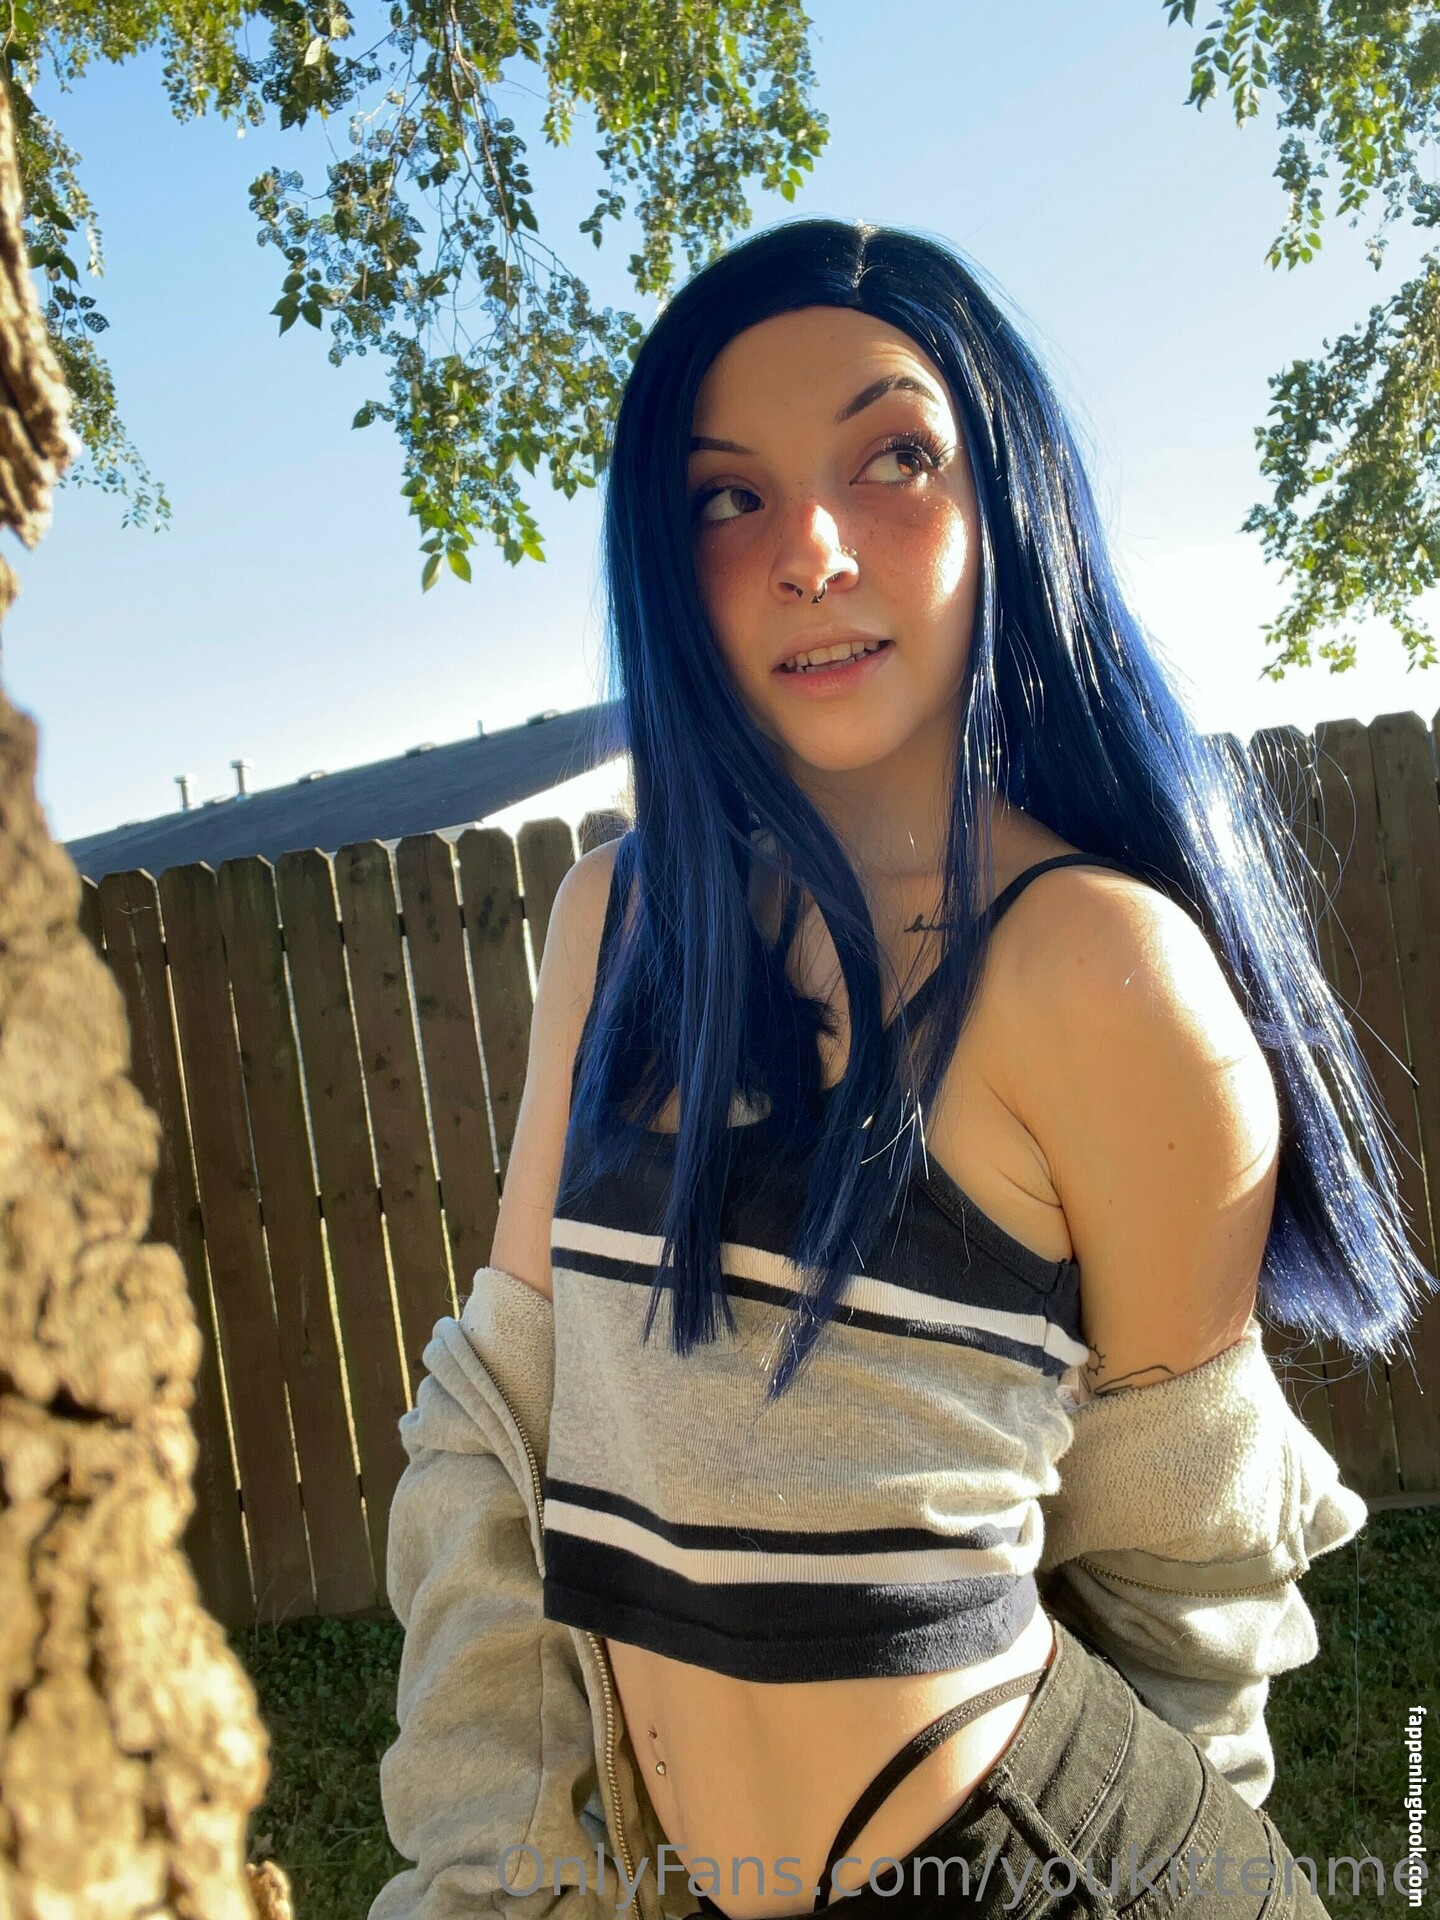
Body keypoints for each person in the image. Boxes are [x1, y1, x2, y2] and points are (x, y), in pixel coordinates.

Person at [369, 220, 1432, 1920]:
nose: (811, 551)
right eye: (729, 496)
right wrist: (494, 1875)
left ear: (1007, 500)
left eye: (893, 460)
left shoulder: (1098, 970)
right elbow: (496, 1439)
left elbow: (1188, 1588)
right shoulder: (615, 928)